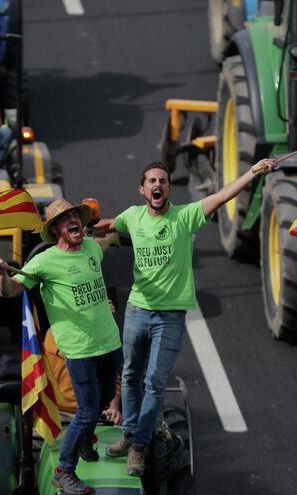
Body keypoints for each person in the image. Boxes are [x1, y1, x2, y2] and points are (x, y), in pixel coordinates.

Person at [93, 158, 277, 476]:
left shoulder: (184, 217)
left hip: (170, 317)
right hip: (137, 310)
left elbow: (220, 197)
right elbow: (110, 225)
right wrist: (72, 230)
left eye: (163, 180)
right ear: (142, 189)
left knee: (154, 382)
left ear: (169, 188)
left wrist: (252, 172)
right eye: (152, 181)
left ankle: (139, 447)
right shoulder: (132, 217)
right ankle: (129, 434)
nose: (157, 185)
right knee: (131, 376)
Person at [0, 199, 123, 495]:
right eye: (66, 219)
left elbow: (108, 236)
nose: (74, 220)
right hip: (80, 351)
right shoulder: (43, 262)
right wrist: (1, 273)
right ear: (56, 230)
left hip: (110, 343)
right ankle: (64, 471)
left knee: (104, 399)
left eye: (76, 215)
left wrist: (126, 233)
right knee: (88, 410)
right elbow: (10, 291)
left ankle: (87, 441)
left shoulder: (90, 247)